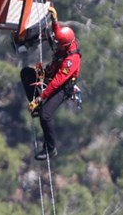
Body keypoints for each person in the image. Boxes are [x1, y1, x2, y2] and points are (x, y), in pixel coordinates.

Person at [21, 14, 82, 161]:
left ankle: (50, 148)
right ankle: (36, 106)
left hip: (63, 87)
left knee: (45, 115)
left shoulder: (71, 60)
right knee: (26, 73)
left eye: (59, 45)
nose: (57, 46)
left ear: (66, 45)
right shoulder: (64, 43)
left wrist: (39, 99)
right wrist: (55, 20)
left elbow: (56, 83)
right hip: (51, 77)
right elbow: (58, 34)